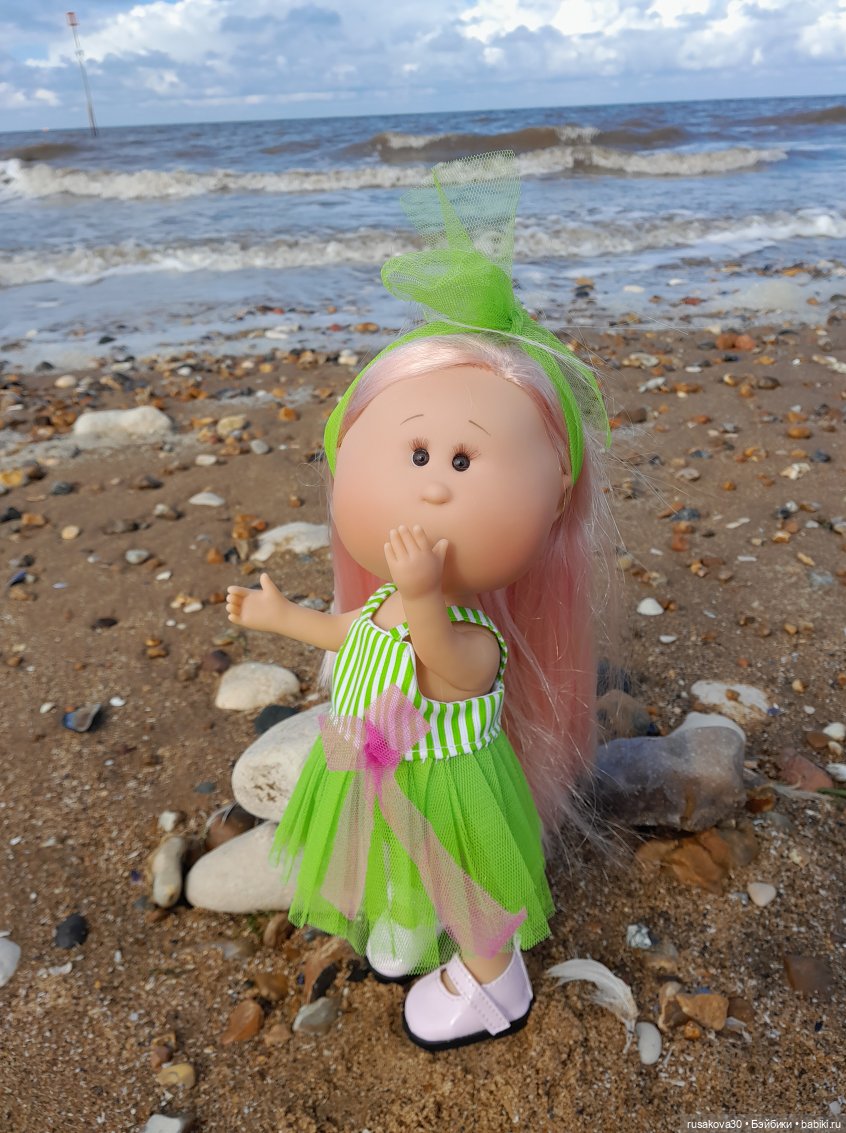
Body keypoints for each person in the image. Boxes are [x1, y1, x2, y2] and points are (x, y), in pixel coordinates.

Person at [224, 151, 614, 1052]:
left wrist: (427, 594)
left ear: (557, 497)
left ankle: (495, 985)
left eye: (462, 460)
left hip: (447, 787)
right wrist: (281, 617)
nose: (433, 485)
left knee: (466, 886)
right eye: (414, 454)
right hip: (370, 768)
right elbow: (352, 635)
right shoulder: (389, 607)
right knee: (391, 869)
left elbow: (447, 665)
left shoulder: (473, 635)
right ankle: (403, 933)